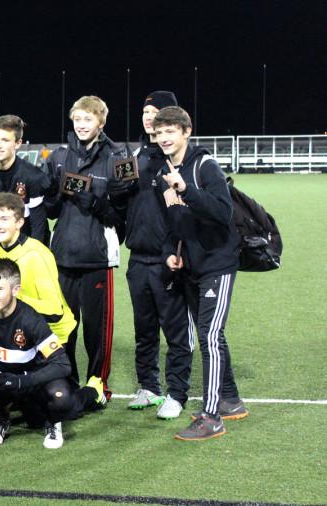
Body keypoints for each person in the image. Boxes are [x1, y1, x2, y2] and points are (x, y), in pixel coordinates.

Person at [154, 106, 247, 441]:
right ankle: (231, 400)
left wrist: (187, 190)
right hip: (191, 266)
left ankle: (212, 417)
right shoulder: (165, 171)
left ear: (186, 132)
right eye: (159, 132)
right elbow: (172, 223)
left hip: (217, 264)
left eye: (170, 131)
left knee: (208, 336)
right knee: (212, 336)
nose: (163, 137)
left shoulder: (204, 165)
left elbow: (223, 213)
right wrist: (169, 254)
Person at [0, 259, 105, 449]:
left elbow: (62, 364)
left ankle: (90, 394)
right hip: (1, 381)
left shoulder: (30, 319)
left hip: (31, 382)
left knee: (63, 400)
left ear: (15, 290)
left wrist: (23, 382)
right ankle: (0, 420)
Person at [44, 96, 129, 399]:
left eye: (88, 119)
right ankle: (67, 380)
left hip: (98, 257)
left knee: (97, 329)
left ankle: (98, 384)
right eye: (78, 119)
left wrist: (91, 199)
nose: (82, 125)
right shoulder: (57, 156)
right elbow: (51, 211)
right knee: (64, 326)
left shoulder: (118, 156)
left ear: (101, 122)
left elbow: (122, 212)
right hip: (63, 255)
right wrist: (53, 194)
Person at [115, 91, 193, 419]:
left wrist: (178, 252)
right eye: (146, 112)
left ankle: (177, 393)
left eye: (156, 112)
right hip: (138, 258)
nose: (149, 118)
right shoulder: (135, 157)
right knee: (144, 328)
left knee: (175, 332)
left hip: (168, 260)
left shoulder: (177, 160)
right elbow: (117, 200)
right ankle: (148, 387)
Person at [0, 192, 76, 343]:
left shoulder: (37, 254)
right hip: (17, 326)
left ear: (19, 222)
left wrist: (11, 297)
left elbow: (54, 311)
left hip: (54, 334)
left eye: (4, 219)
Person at [0, 115, 50, 243]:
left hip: (28, 245)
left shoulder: (33, 176)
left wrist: (33, 255)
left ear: (17, 143)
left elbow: (38, 226)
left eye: (5, 140)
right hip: (0, 246)